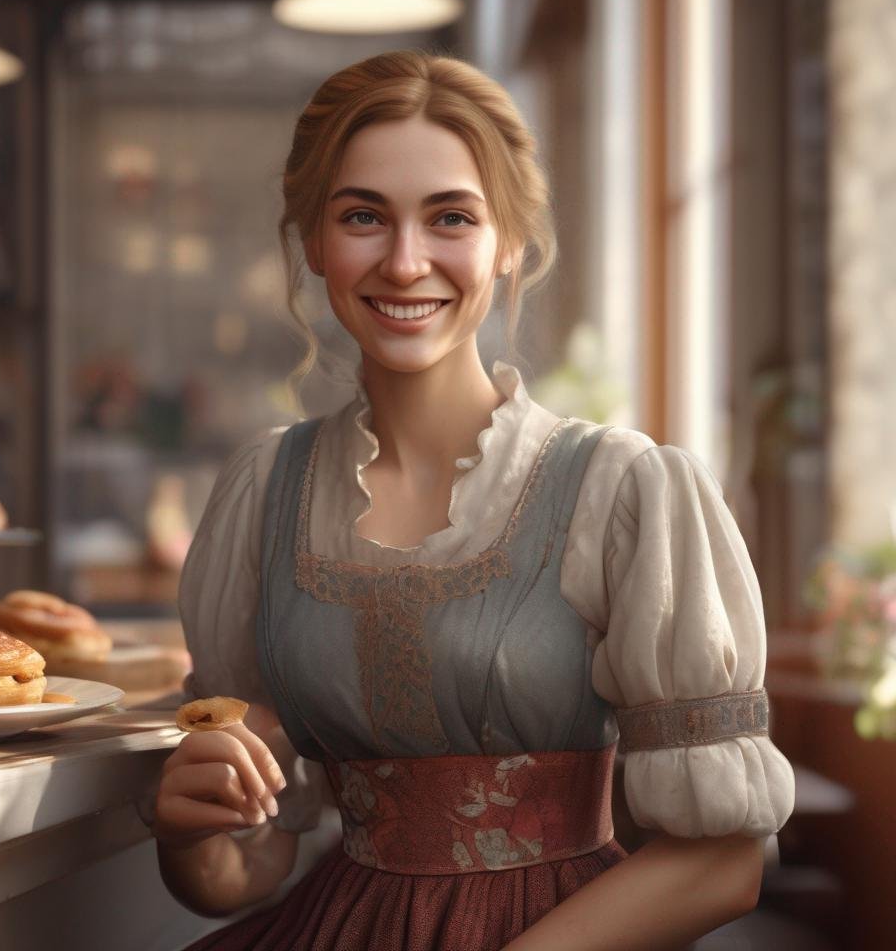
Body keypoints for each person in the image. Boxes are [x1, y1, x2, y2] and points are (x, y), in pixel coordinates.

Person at [151, 49, 796, 950]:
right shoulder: (265, 493)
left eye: (450, 216)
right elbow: (247, 869)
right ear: (312, 245)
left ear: (510, 247)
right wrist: (188, 837)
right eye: (364, 216)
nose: (406, 261)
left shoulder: (621, 489)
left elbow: (725, 863)